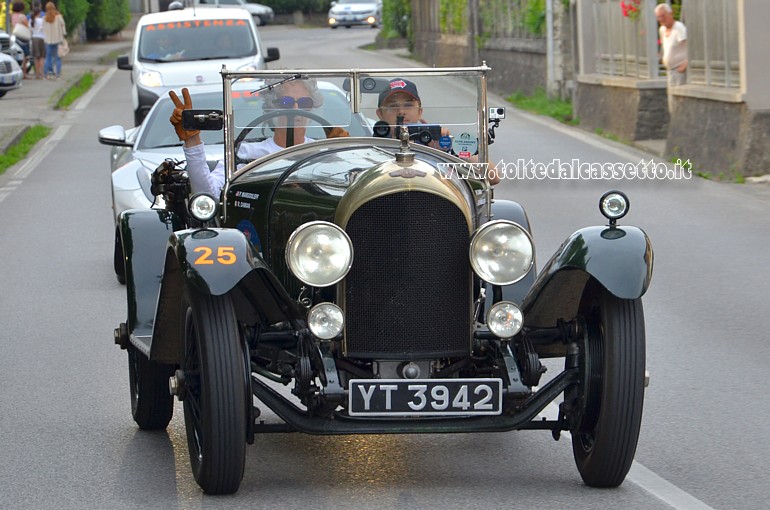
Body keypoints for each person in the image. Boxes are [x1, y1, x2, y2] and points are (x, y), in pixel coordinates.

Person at [170, 78, 342, 196]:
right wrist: (192, 141)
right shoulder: (244, 153)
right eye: (286, 103)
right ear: (270, 108)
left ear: (312, 108)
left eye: (304, 103)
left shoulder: (325, 154)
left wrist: (344, 153)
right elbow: (210, 194)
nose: (296, 109)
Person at [377, 78, 500, 184]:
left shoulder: (436, 140)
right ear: (380, 114)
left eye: (408, 105)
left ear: (420, 112)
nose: (401, 111)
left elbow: (492, 176)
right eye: (393, 106)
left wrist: (447, 147)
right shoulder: (372, 145)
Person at [655, 3, 687, 112]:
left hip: (680, 71)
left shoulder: (679, 28)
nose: (661, 19)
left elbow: (690, 47)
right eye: (659, 17)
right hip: (670, 71)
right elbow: (666, 47)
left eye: (663, 16)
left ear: (670, 13)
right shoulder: (662, 30)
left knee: (680, 103)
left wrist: (685, 65)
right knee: (672, 104)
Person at [42, 1, 66, 80]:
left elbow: (42, 29)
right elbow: (63, 26)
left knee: (48, 57)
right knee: (58, 58)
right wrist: (63, 35)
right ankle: (58, 75)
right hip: (57, 39)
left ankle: (46, 75)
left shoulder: (44, 18)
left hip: (48, 40)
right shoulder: (58, 17)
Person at [10, 1, 30, 79]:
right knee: (24, 56)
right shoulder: (22, 16)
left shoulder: (12, 15)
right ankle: (24, 74)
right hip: (22, 37)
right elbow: (27, 25)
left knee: (16, 55)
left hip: (14, 36)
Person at [28, 1, 45, 80]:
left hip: (34, 38)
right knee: (42, 56)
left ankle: (37, 74)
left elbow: (30, 29)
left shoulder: (31, 20)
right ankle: (41, 73)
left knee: (35, 57)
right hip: (41, 38)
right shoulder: (42, 20)